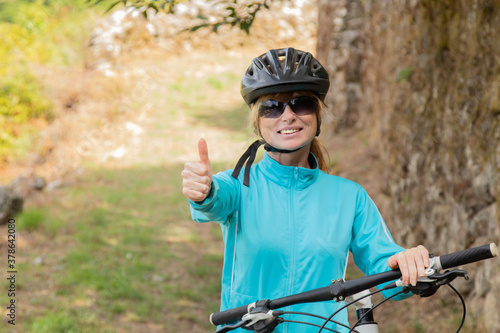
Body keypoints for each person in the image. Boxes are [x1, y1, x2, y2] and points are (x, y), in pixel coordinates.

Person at [181, 48, 429, 332]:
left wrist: (407, 264)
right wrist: (203, 191)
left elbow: (386, 267)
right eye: (271, 106)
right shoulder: (239, 185)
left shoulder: (350, 197)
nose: (287, 115)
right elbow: (213, 201)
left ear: (317, 116)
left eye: (301, 104)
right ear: (257, 123)